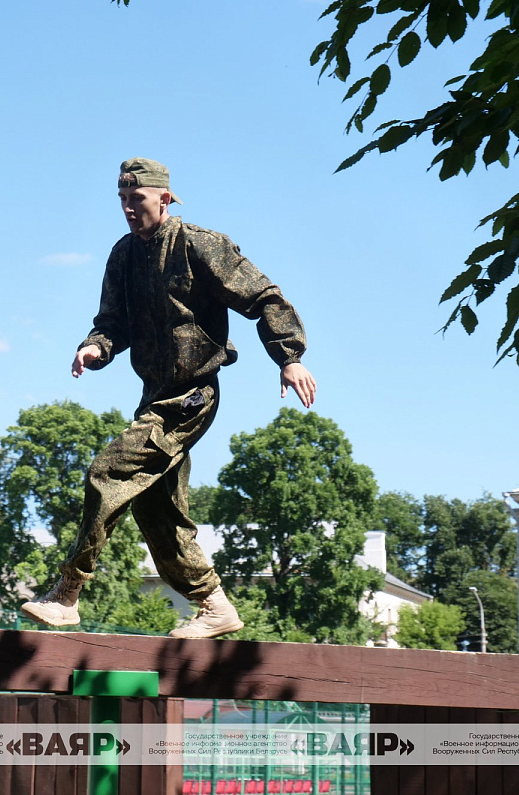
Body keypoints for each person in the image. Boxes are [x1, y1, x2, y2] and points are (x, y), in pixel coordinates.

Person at [21, 157, 317, 639]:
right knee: (154, 507)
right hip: (154, 397)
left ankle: (67, 593)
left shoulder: (199, 244)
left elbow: (264, 297)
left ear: (164, 198)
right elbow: (112, 322)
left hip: (191, 396)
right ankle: (214, 606)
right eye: (121, 199)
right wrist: (95, 346)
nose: (127, 208)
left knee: (108, 471)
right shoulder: (123, 256)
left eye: (136, 199)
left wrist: (289, 357)